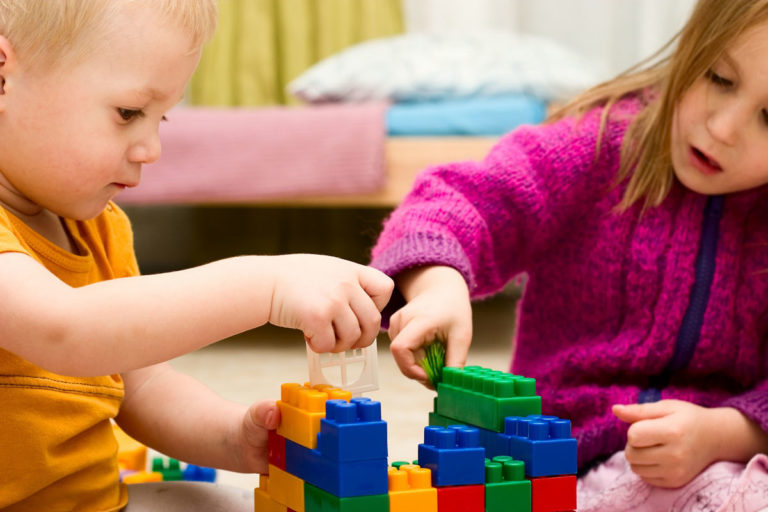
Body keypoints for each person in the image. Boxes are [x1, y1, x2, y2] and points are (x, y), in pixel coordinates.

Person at [371, 0, 768, 508]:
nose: (724, 128)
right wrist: (436, 286)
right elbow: (454, 203)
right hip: (555, 457)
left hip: (716, 462)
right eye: (719, 77)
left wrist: (727, 433)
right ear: (692, 47)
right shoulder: (594, 148)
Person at [0, 1, 394, 511]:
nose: (151, 148)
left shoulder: (99, 227)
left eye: (160, 118)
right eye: (128, 113)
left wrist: (232, 436)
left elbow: (141, 386)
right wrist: (266, 284)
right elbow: (65, 329)